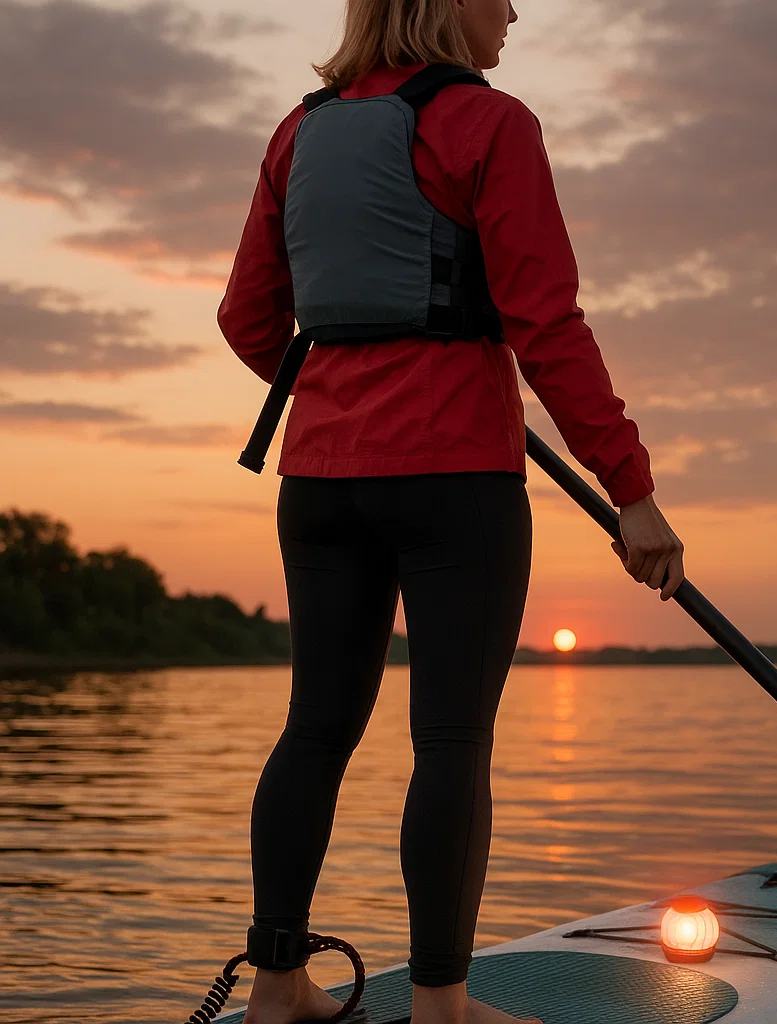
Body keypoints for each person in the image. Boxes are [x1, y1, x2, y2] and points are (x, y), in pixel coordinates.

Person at [217, 0, 684, 1020]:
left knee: (314, 731)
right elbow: (546, 321)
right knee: (452, 741)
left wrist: (352, 396)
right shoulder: (491, 123)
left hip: (322, 482)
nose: (514, 10)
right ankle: (441, 1007)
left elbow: (247, 319)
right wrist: (631, 493)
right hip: (456, 484)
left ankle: (277, 988)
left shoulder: (296, 131)